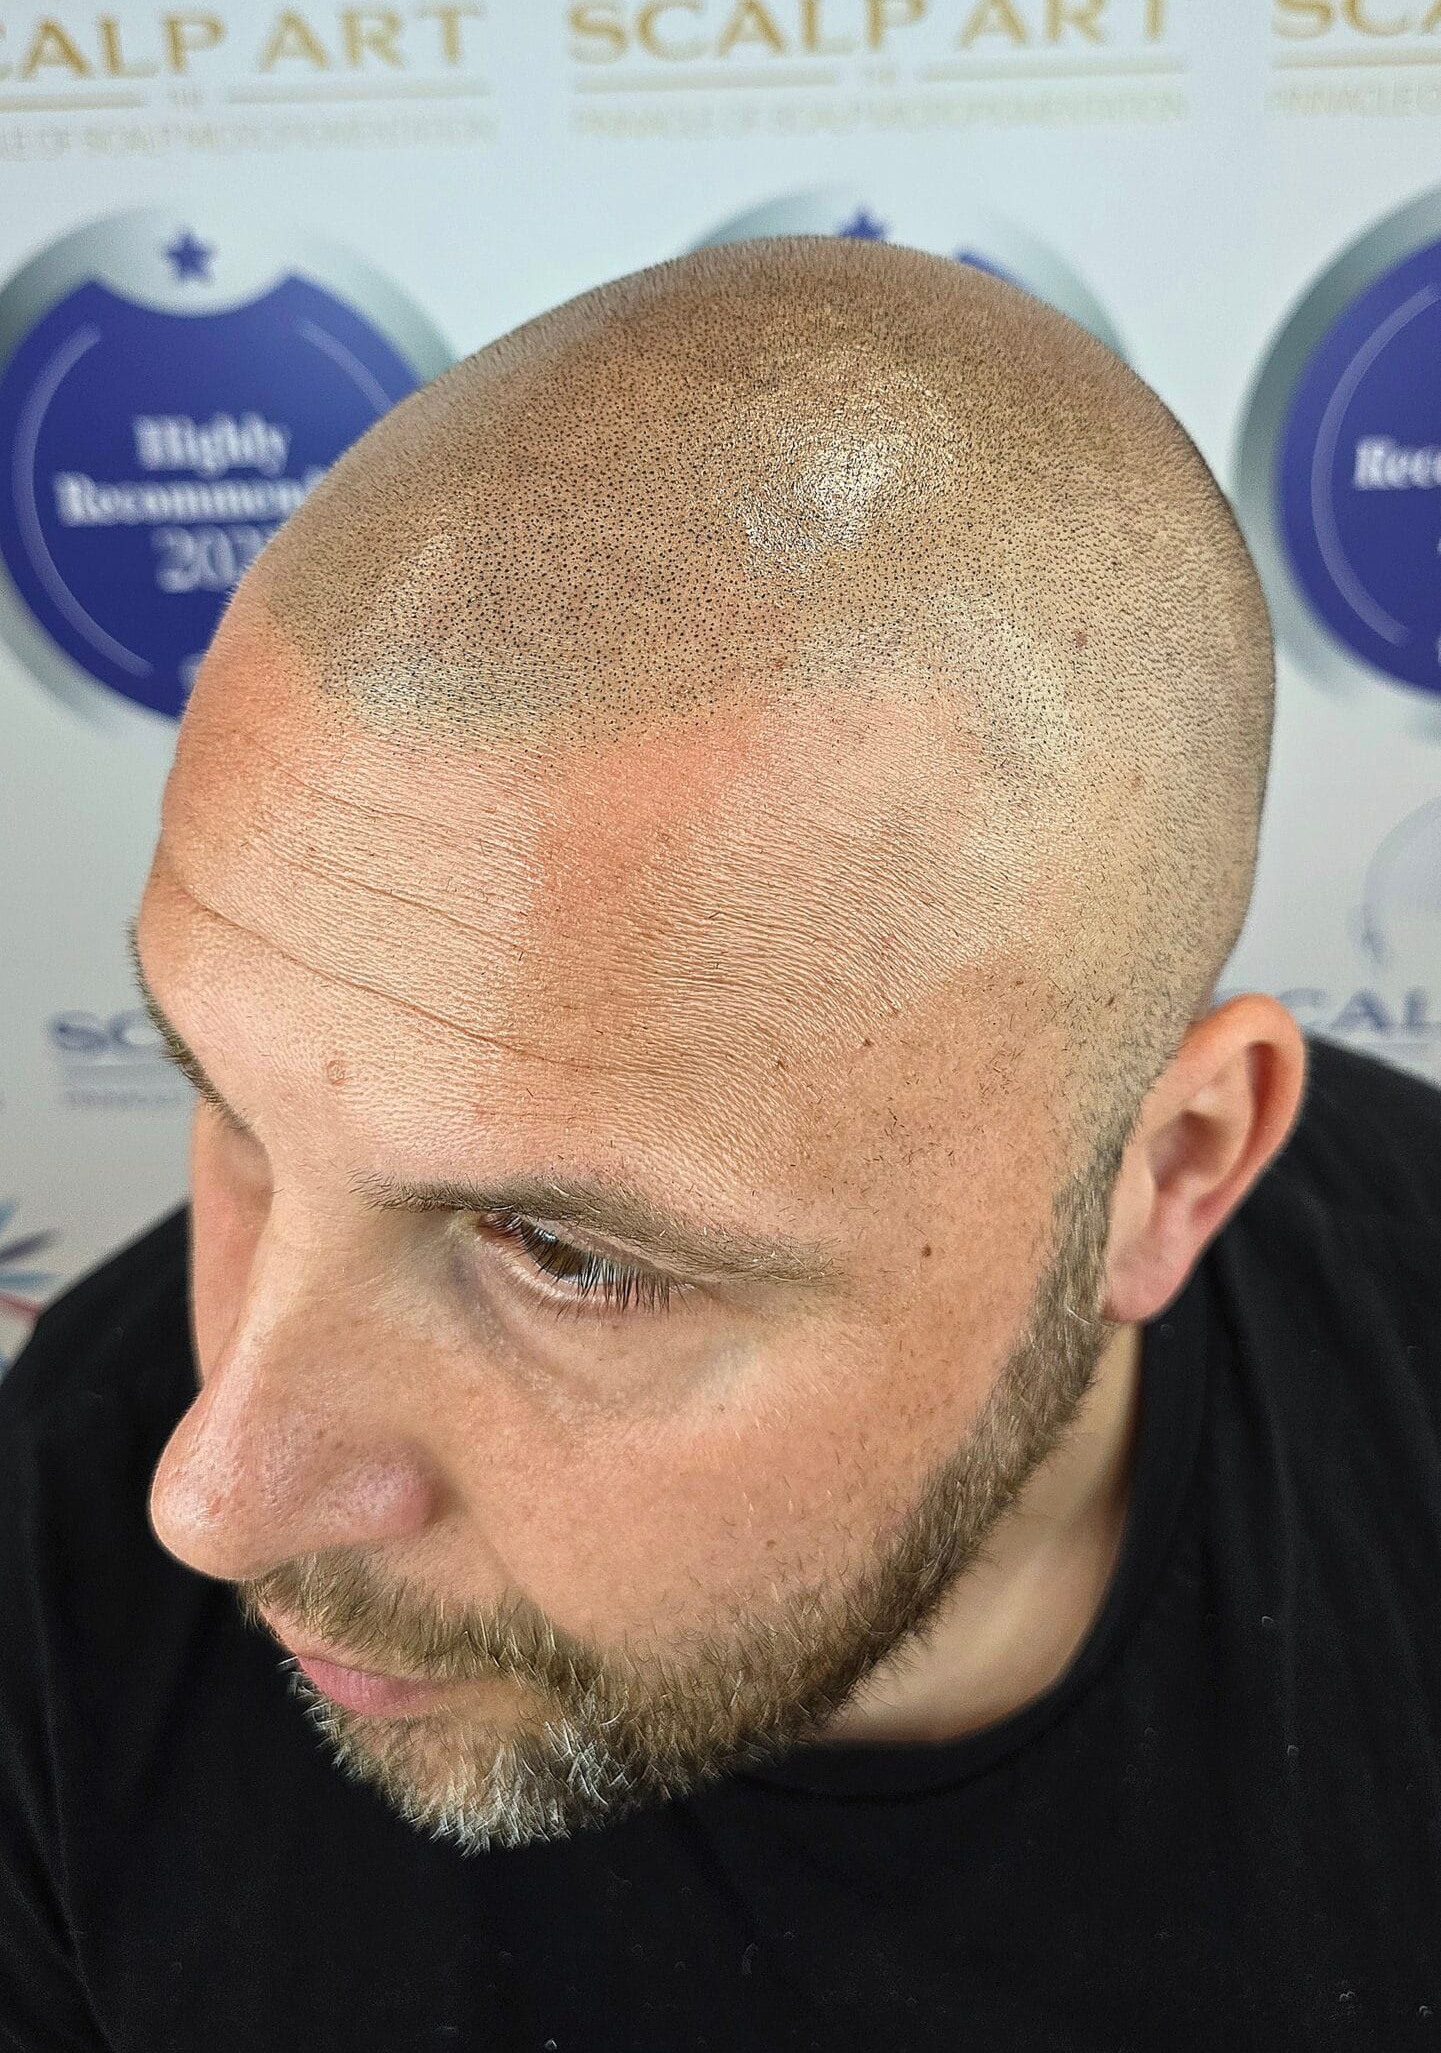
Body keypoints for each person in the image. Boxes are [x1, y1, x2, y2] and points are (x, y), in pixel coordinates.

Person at [1, 238, 1436, 2052]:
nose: (213, 1502)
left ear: (1167, 1176)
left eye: (566, 1255)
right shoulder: (57, 1580)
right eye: (232, 1103)